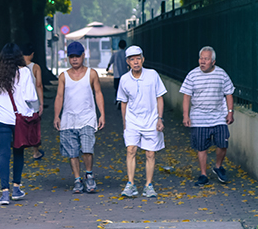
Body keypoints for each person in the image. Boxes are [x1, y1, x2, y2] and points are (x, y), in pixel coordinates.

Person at [0, 43, 38, 205]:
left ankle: (4, 192)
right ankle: (16, 188)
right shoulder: (25, 73)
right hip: (20, 120)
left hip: (1, 119)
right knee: (18, 153)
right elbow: (31, 97)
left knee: (4, 154)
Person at [54, 41, 106, 194]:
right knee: (72, 152)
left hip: (87, 117)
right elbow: (59, 96)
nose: (75, 59)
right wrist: (57, 116)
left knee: (87, 148)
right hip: (69, 118)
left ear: (83, 56)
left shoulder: (92, 74)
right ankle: (77, 179)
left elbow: (98, 93)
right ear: (68, 58)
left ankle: (89, 175)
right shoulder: (63, 76)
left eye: (77, 56)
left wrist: (102, 114)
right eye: (72, 57)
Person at [181, 46, 235, 187]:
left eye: (206, 59)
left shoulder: (221, 74)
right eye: (201, 58)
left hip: (218, 116)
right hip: (198, 117)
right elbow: (186, 96)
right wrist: (186, 116)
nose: (202, 61)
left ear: (213, 61)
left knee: (223, 143)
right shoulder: (192, 75)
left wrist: (230, 112)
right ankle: (203, 174)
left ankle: (218, 166)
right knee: (201, 147)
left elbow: (229, 93)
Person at [117, 45, 166, 198]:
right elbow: (123, 102)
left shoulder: (152, 75)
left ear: (143, 59)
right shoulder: (124, 79)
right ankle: (131, 183)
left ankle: (148, 185)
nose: (136, 62)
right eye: (132, 59)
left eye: (138, 58)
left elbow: (159, 97)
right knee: (131, 150)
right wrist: (124, 122)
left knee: (150, 153)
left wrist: (160, 118)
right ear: (128, 62)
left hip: (151, 120)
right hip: (132, 120)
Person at [21, 43, 45, 160]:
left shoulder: (16, 66)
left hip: (19, 101)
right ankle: (35, 151)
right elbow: (39, 85)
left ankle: (20, 147)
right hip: (33, 100)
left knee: (21, 124)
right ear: (32, 54)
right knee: (34, 126)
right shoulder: (35, 67)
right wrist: (41, 103)